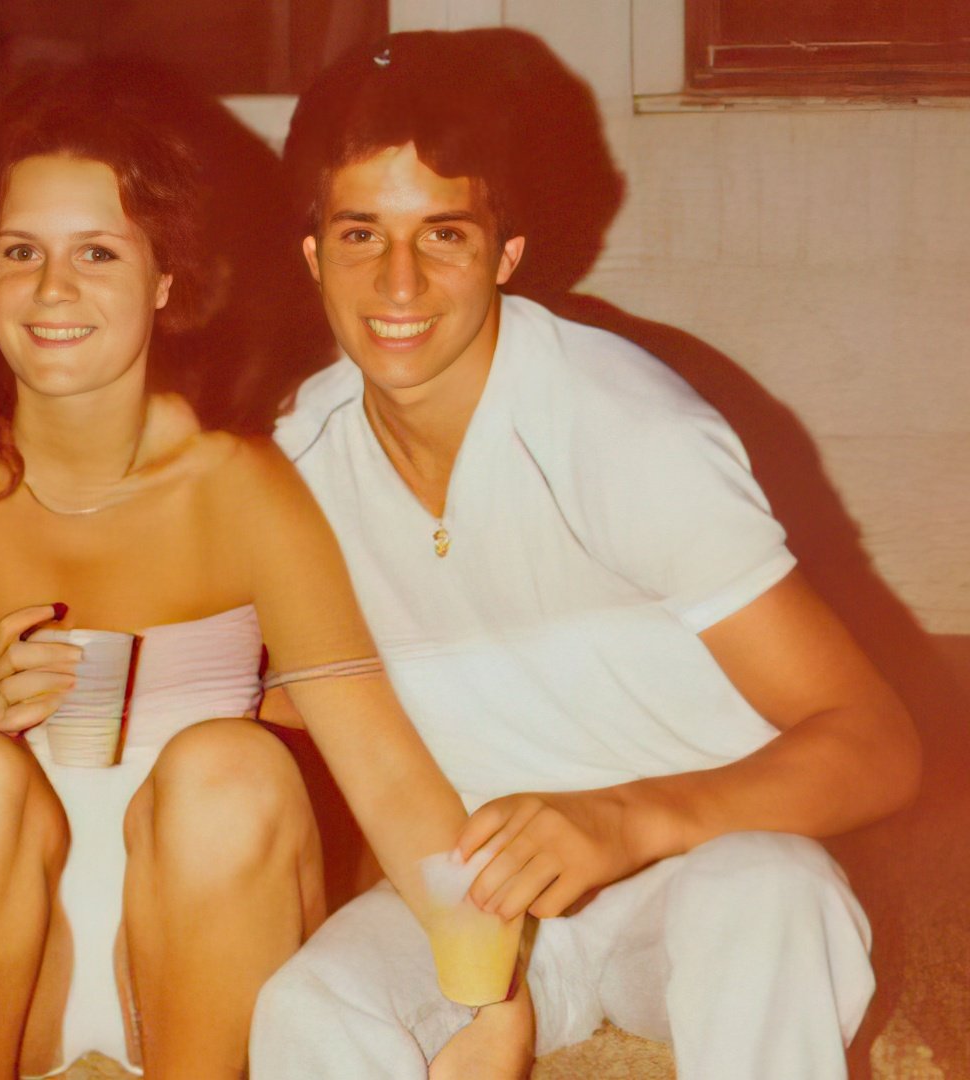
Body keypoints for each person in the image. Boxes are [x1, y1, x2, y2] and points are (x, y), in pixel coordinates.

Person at [251, 29, 921, 1079]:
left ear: (507, 253)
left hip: (700, 872)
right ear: (312, 253)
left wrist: (626, 819)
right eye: (359, 234)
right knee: (311, 1007)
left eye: (445, 236)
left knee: (768, 896)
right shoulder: (296, 457)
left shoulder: (629, 433)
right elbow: (296, 696)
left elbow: (879, 743)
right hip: (487, 905)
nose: (398, 282)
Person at [0, 71, 473, 1079]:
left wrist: (487, 982)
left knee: (235, 769)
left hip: (208, 960)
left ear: (166, 277)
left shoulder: (241, 486)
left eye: (98, 252)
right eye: (21, 253)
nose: (54, 290)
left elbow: (384, 773)